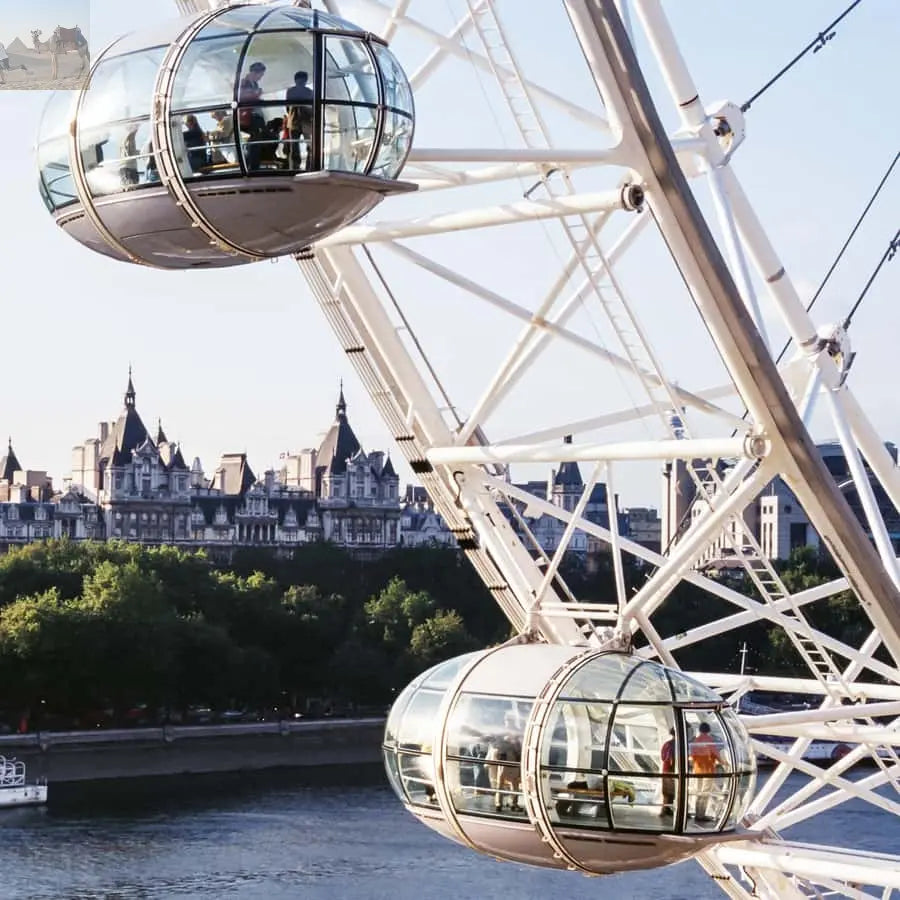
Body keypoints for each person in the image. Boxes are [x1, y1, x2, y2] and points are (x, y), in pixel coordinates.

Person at [689, 721, 722, 822]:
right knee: (705, 793)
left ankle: (697, 812)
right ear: (708, 730)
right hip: (708, 770)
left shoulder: (695, 741)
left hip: (697, 770)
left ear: (700, 730)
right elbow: (716, 755)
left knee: (698, 792)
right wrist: (723, 763)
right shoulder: (710, 741)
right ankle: (701, 815)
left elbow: (691, 756)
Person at [238, 61, 267, 170]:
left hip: (254, 115)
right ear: (256, 73)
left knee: (258, 140)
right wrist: (257, 94)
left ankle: (253, 164)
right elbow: (243, 96)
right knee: (255, 140)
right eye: (261, 74)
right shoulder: (244, 82)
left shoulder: (254, 84)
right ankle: (252, 166)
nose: (261, 77)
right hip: (250, 116)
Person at [284, 70, 314, 171]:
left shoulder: (291, 91)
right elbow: (312, 108)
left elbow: (287, 107)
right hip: (307, 122)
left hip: (294, 121)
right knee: (310, 145)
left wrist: (292, 114)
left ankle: (294, 168)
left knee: (294, 146)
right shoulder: (309, 92)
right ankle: (309, 166)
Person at [660, 727, 676, 815]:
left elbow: (663, 758)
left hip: (666, 770)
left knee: (667, 793)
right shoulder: (675, 745)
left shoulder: (667, 744)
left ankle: (665, 810)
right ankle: (665, 810)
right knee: (671, 792)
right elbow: (670, 759)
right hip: (672, 771)